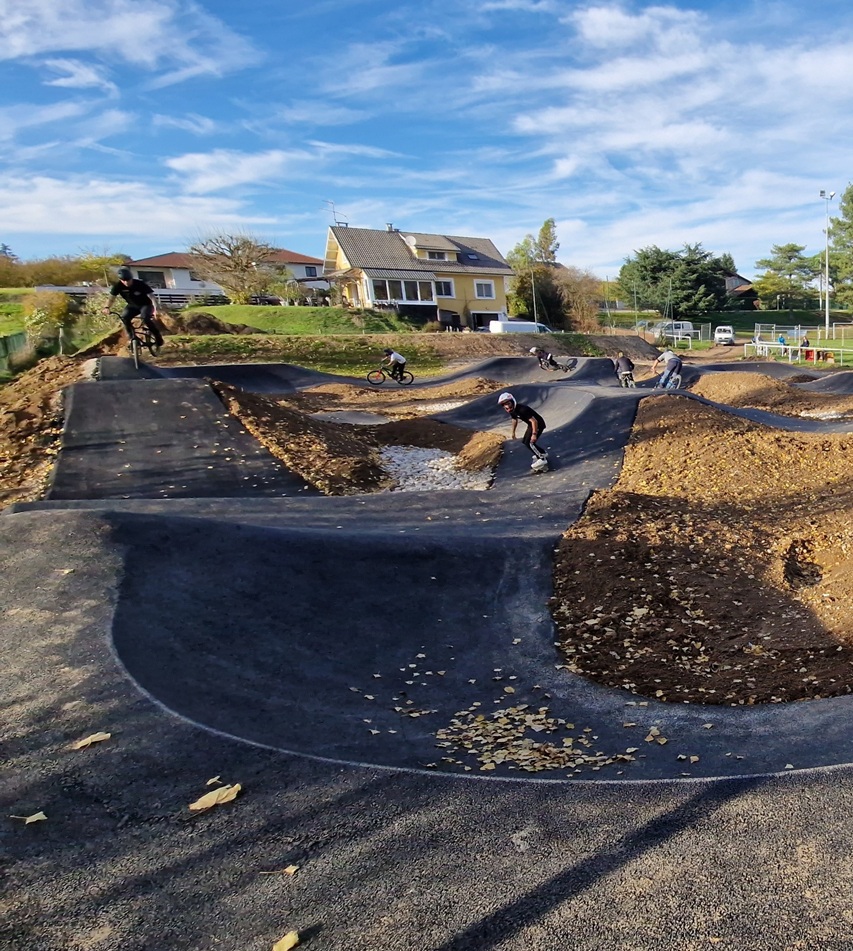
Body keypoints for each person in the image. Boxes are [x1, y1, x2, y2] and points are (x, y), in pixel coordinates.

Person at [105, 266, 164, 351]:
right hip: (132, 306)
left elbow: (151, 296)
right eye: (124, 281)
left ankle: (158, 336)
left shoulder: (139, 284)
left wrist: (156, 309)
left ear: (131, 278)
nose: (126, 283)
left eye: (128, 280)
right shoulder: (118, 286)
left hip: (146, 305)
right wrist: (107, 307)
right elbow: (111, 298)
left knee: (145, 318)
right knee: (124, 317)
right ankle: (131, 338)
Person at [497, 392, 548, 470]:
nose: (508, 407)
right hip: (531, 425)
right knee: (525, 441)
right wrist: (513, 433)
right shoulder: (513, 411)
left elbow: (534, 421)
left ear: (512, 401)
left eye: (508, 403)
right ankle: (543, 453)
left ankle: (542, 459)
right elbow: (514, 420)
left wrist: (534, 434)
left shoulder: (522, 409)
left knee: (531, 443)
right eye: (505, 406)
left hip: (538, 424)